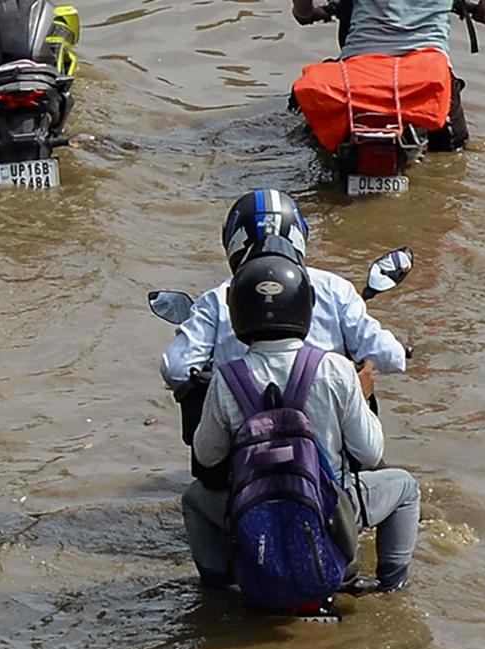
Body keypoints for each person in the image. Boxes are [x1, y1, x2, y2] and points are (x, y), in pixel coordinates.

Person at [184, 253, 421, 592]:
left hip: (253, 512)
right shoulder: (335, 370)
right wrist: (364, 397)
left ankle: (220, 590)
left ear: (237, 314)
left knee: (193, 498)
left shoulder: (226, 379)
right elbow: (370, 454)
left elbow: (207, 458)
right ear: (304, 308)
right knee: (406, 488)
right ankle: (390, 589)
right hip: (329, 511)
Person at [159, 189, 407, 397]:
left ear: (234, 242)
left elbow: (176, 370)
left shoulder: (216, 298)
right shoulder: (335, 290)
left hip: (239, 432)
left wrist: (221, 382)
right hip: (328, 434)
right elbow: (391, 357)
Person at [290, 0, 485, 151]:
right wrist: (469, 8)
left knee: (313, 141)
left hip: (359, 67)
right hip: (428, 72)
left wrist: (310, 13)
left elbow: (304, 11)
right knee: (453, 152)